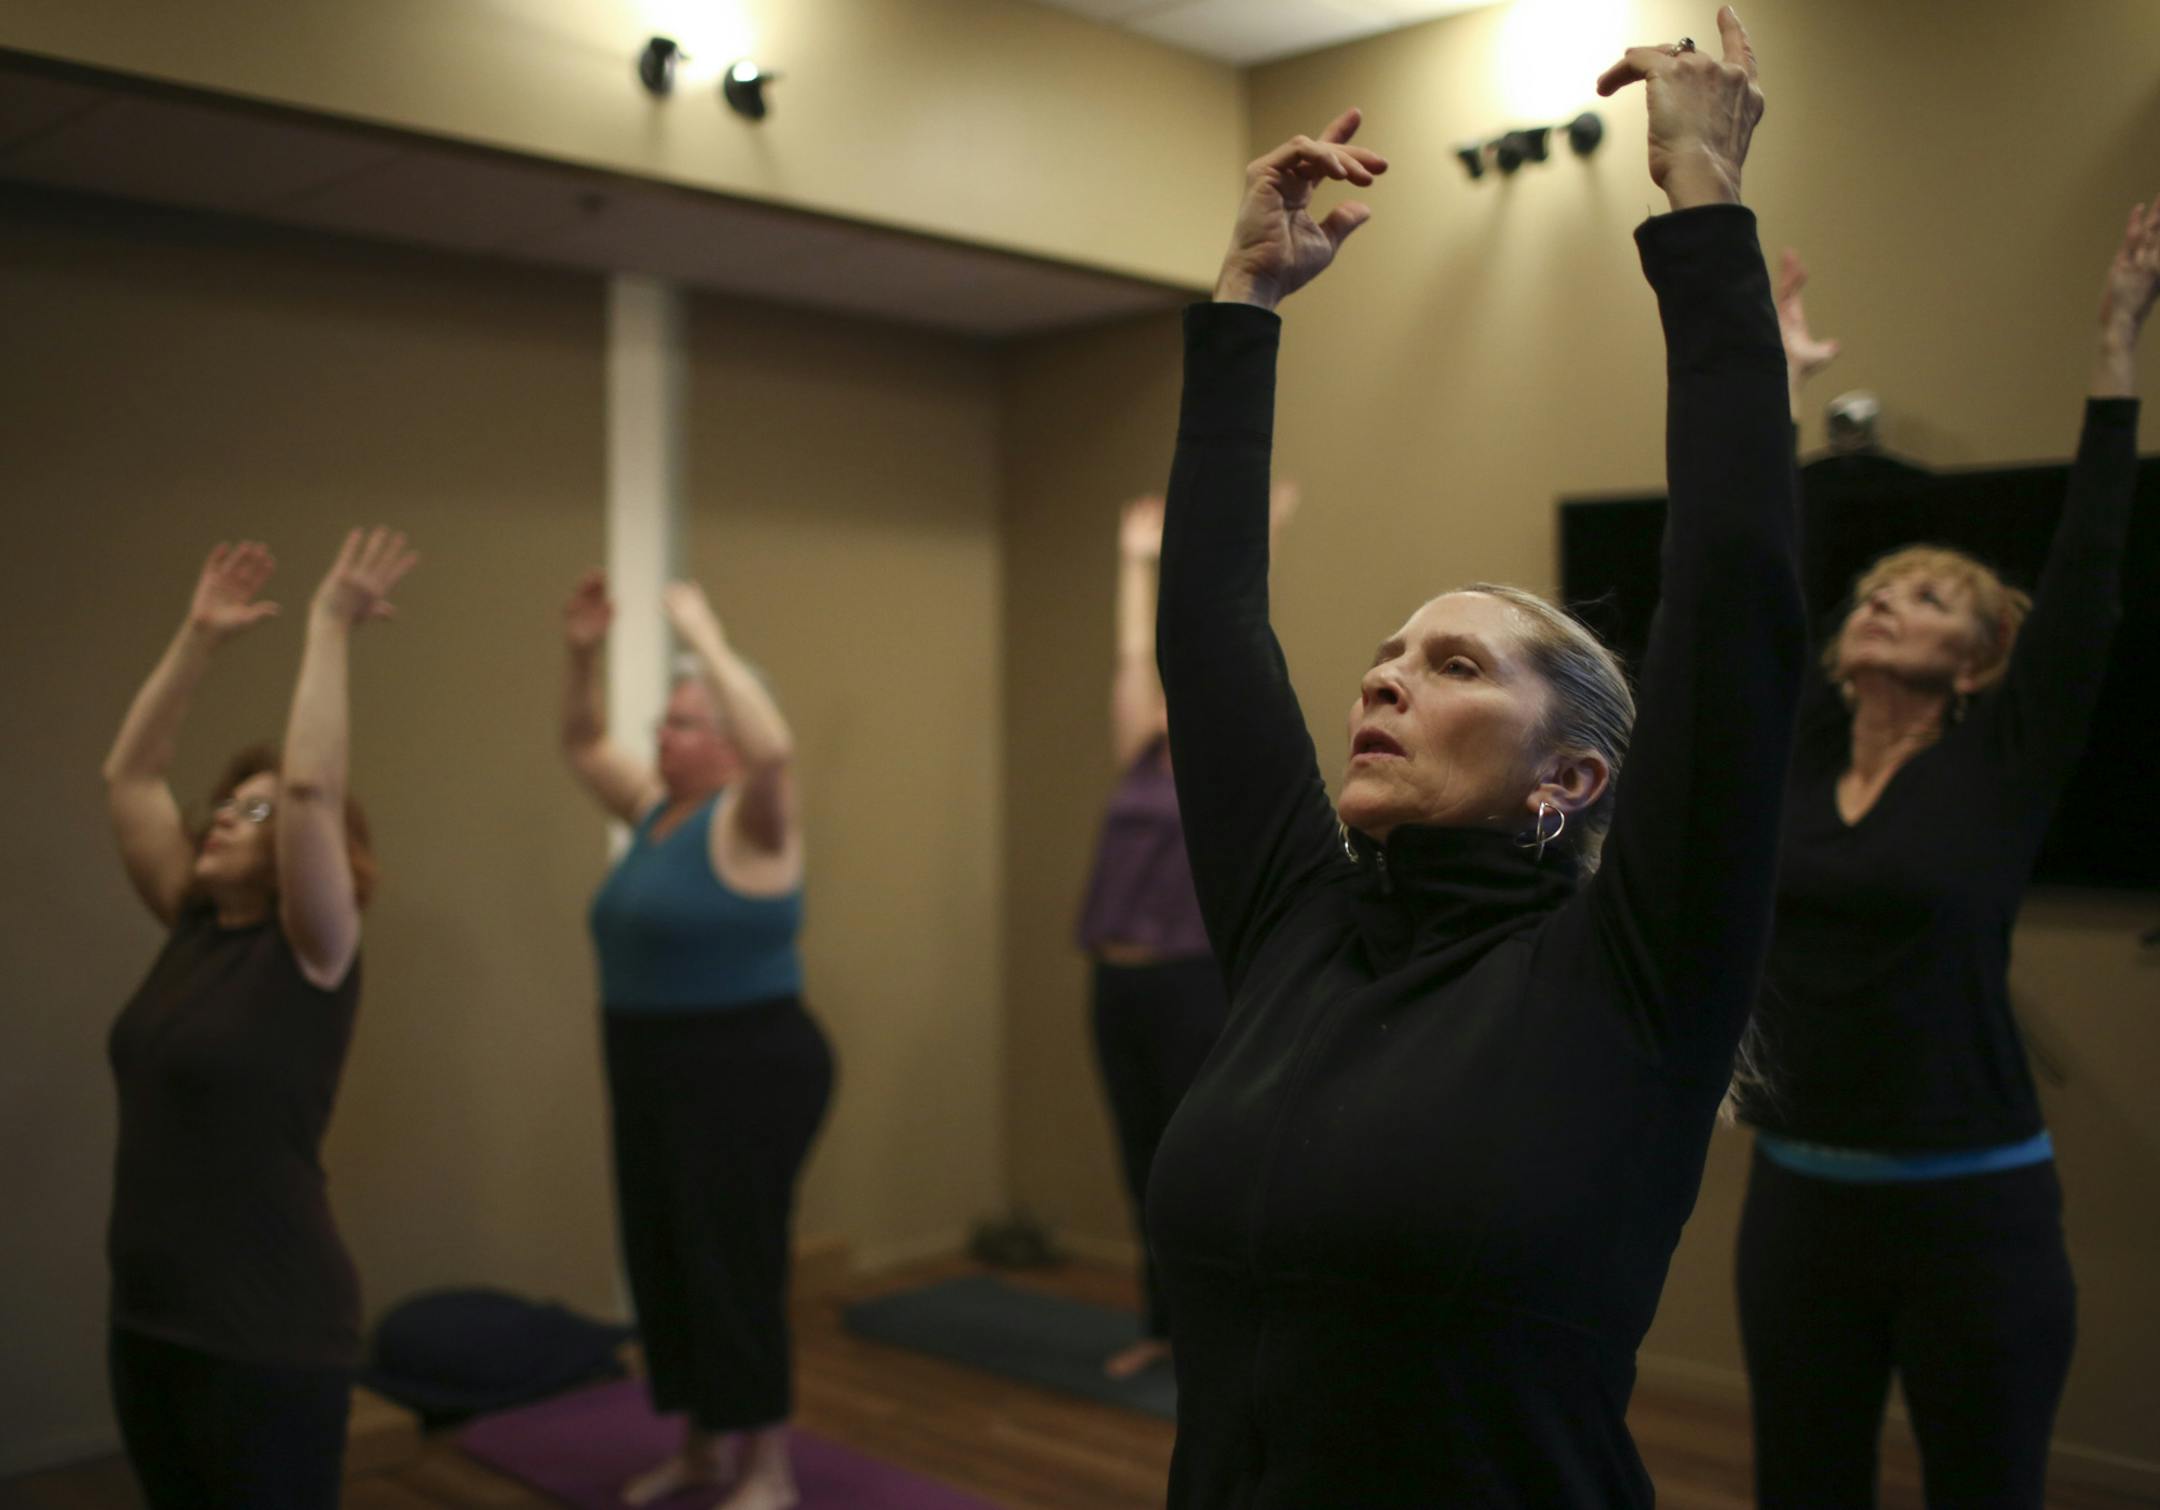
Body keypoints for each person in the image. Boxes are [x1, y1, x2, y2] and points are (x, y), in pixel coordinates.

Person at [1140, 11, 1807, 1503]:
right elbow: (1211, 637)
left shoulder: (1630, 975)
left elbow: (1739, 602)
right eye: (1385, 652)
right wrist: (1244, 300)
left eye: (1451, 664)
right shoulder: (1302, 926)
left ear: (1571, 776)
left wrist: (1705, 206)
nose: (1383, 677)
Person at [1736, 201, 2157, 1508]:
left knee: (1985, 1485)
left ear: (1977, 661)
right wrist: (1781, 396)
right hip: (1798, 1199)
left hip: (1975, 1210)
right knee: (1807, 1483)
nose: (1880, 602)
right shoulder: (1805, 752)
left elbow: (2087, 571)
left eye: (1922, 596)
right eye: (1877, 590)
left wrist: (2116, 350)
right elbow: (1771, 579)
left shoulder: (2001, 761)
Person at [100, 528, 417, 1508]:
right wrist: (198, 638)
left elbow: (315, 789)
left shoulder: (311, 951)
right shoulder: (193, 922)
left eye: (258, 813)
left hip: (267, 1331)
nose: (229, 815)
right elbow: (131, 778)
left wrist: (327, 623)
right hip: (152, 1316)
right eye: (228, 804)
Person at [560, 570, 833, 1510]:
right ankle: (703, 1445)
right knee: (666, 1256)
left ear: (721, 740)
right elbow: (580, 740)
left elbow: (778, 750)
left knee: (733, 1261)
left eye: (678, 723)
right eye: (666, 722)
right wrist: (581, 652)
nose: (658, 737)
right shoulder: (651, 813)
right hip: (646, 1064)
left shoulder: (753, 823)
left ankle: (769, 1465)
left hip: (744, 1067)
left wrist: (705, 634)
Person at [1076, 486, 1291, 1379]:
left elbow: (1236, 646)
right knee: (1138, 1158)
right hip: (1116, 980)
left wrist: (1254, 540)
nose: (1165, 698)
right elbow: (1133, 657)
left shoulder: (1226, 765)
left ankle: (1222, 1338)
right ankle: (1160, 1328)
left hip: (1191, 985)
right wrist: (1135, 558)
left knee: (1192, 1163)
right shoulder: (1140, 753)